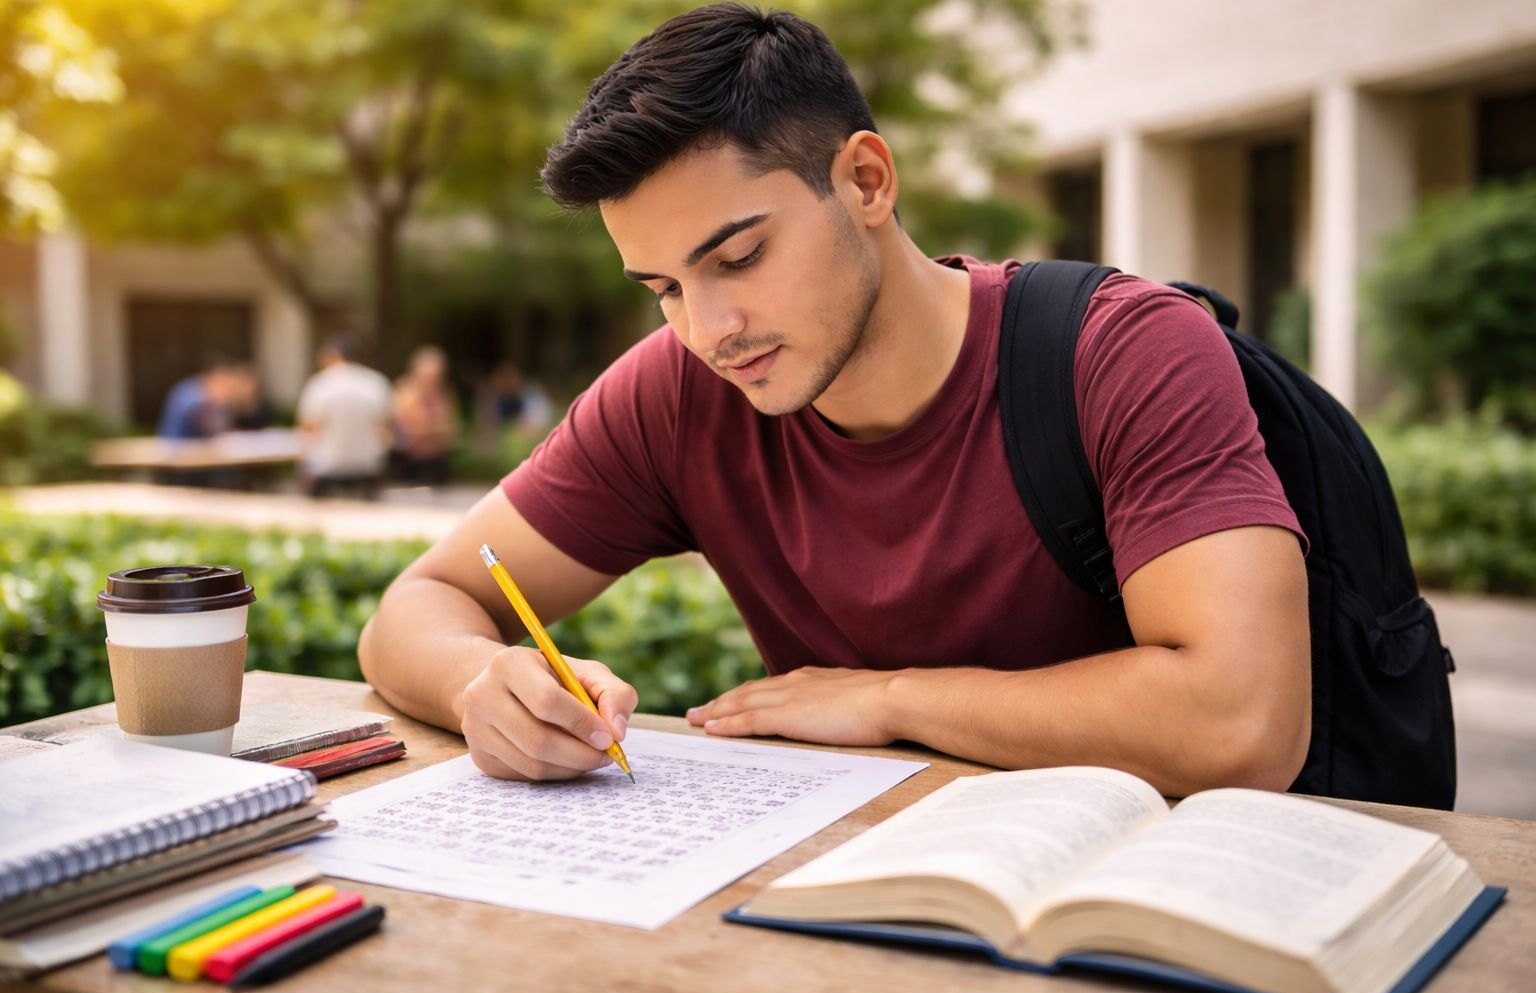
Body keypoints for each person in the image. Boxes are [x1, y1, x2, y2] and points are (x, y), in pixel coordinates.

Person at [359, 5, 1310, 795]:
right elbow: (423, 601)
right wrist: (480, 682)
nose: (708, 329)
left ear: (865, 179)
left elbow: (1243, 721)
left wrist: (892, 699)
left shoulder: (1123, 350)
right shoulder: (677, 394)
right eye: (664, 288)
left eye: (738, 258)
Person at [295, 334, 394, 498]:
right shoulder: (377, 382)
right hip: (369, 463)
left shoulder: (320, 383)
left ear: (332, 354)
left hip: (328, 465)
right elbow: (386, 426)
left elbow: (307, 428)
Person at [391, 346, 459, 485]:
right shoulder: (404, 391)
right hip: (409, 461)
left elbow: (452, 428)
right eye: (428, 375)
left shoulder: (445, 393)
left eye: (436, 376)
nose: (432, 380)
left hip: (436, 460)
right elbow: (405, 428)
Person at [156, 358, 237, 439]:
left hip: (185, 445)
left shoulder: (194, 387)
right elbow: (210, 428)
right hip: (176, 446)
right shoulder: (191, 391)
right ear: (213, 376)